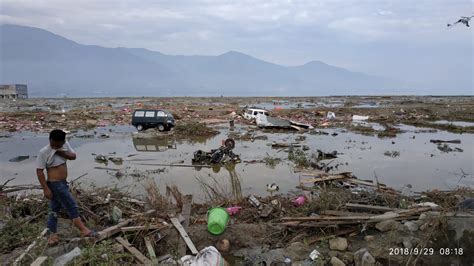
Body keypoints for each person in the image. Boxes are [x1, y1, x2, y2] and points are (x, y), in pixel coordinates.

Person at [36, 129, 95, 245]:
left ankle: (52, 235)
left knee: (54, 209)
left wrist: (60, 151)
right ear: (50, 140)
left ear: (63, 142)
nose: (55, 146)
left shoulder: (64, 145)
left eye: (59, 144)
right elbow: (39, 171)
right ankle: (83, 230)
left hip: (62, 183)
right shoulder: (44, 152)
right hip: (55, 184)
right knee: (71, 205)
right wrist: (45, 188)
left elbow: (73, 156)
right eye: (53, 144)